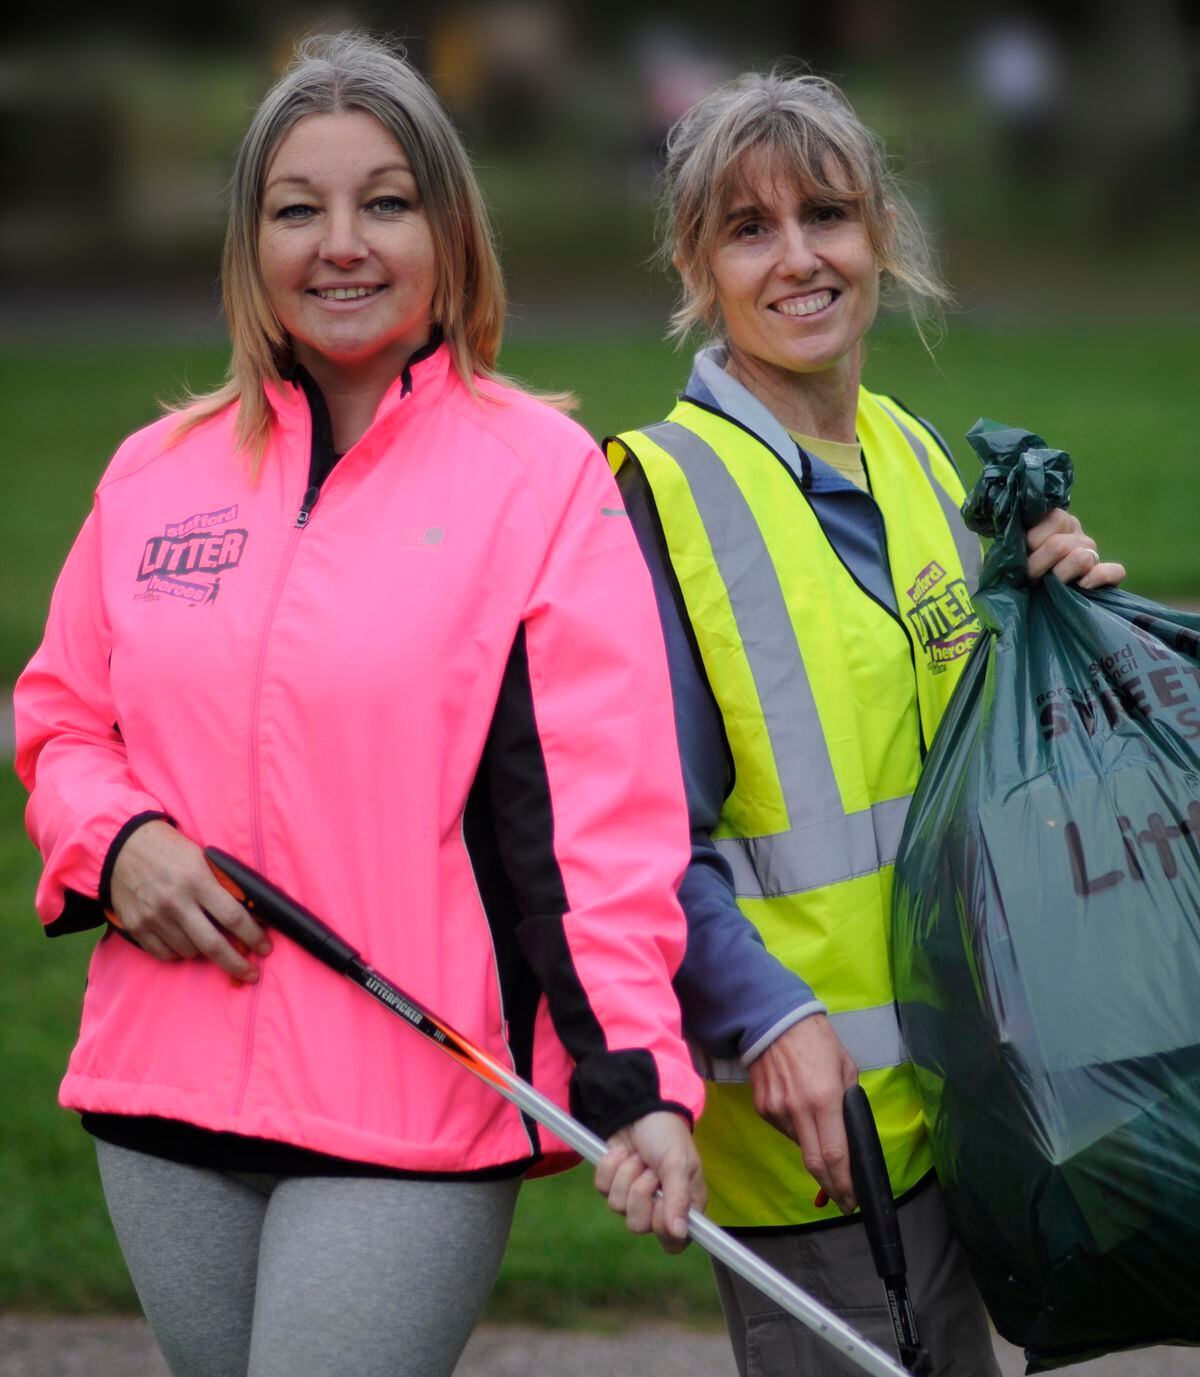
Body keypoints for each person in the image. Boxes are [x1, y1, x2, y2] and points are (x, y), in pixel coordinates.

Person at [14, 33, 705, 1377]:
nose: (342, 242)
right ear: (248, 243)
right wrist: (117, 840)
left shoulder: (541, 478)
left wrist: (637, 1085)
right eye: (297, 207)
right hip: (163, 1092)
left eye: (385, 202)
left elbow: (596, 826)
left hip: (413, 1107)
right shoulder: (152, 474)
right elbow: (60, 721)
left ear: (449, 231)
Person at [605, 70, 1125, 1376]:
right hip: (819, 1137)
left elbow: (974, 750)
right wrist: (764, 1016)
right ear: (696, 264)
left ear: (881, 234)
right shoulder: (657, 497)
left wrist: (1052, 611)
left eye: (826, 215)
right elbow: (635, 835)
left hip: (980, 1099)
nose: (799, 260)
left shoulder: (914, 452)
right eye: (748, 229)